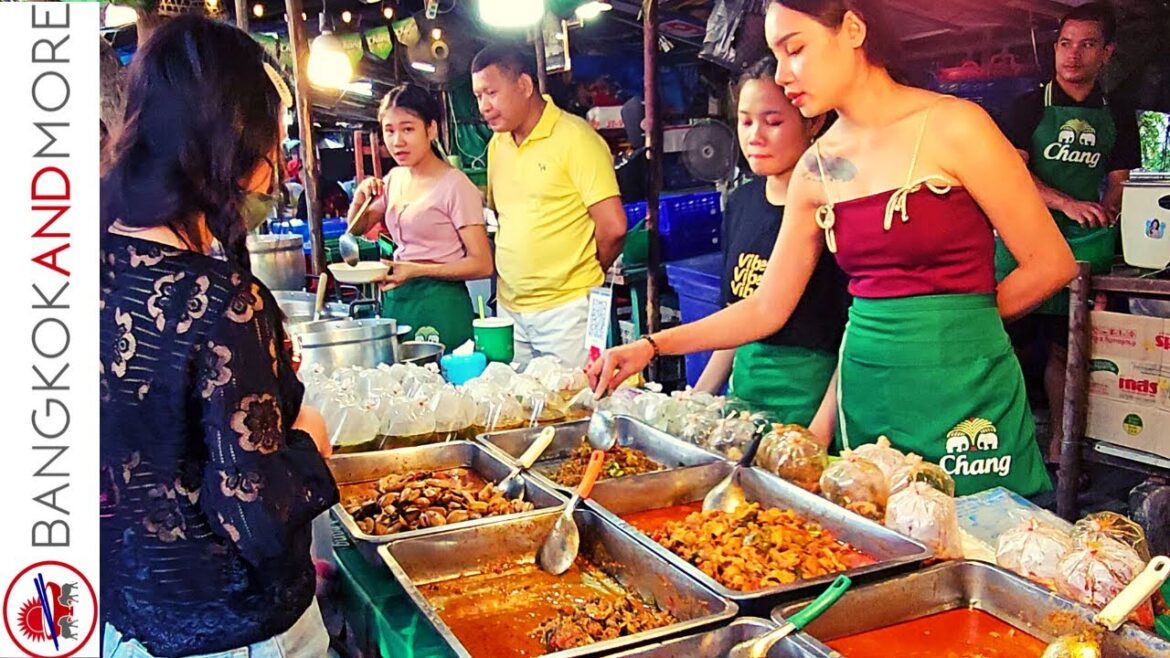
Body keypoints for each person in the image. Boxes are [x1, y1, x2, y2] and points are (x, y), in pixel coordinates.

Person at [590, 0, 1077, 498]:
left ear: (852, 28)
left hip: (969, 391)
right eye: (776, 55)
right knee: (881, 548)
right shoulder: (817, 168)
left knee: (989, 544)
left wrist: (954, 328)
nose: (783, 73)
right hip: (867, 396)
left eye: (794, 49)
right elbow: (765, 307)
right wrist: (651, 345)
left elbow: (1049, 263)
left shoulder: (956, 126)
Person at [99, 17, 337, 657]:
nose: (276, 164)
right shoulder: (220, 302)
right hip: (231, 629)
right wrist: (311, 436)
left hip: (115, 618)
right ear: (232, 141)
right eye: (274, 140)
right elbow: (254, 517)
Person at [996, 1, 1142, 462]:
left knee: (1067, 347)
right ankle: (1004, 444)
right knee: (1007, 345)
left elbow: (1119, 184)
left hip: (1081, 245)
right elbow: (1012, 175)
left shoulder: (1118, 116)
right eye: (1065, 43)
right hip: (1022, 241)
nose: (1072, 55)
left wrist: (1106, 212)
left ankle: (1062, 448)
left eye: (1087, 45)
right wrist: (1065, 202)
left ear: (1107, 53)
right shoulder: (1026, 107)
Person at [693, 56, 849, 431]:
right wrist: (697, 402)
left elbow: (853, 339)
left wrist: (817, 432)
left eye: (773, 122)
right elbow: (736, 318)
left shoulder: (837, 208)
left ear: (813, 121)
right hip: (743, 405)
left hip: (811, 403)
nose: (754, 136)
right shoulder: (742, 202)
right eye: (745, 121)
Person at [472, 42, 628, 368]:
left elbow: (613, 228)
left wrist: (580, 273)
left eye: (491, 93)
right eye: (478, 97)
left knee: (574, 406)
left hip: (569, 312)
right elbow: (504, 218)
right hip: (510, 309)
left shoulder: (577, 139)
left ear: (525, 85)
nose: (484, 106)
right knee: (516, 411)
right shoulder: (496, 146)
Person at [347, 84, 493, 348]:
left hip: (441, 305)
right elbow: (356, 230)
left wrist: (416, 270)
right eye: (389, 131)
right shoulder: (394, 179)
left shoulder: (455, 185)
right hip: (398, 301)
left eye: (408, 129)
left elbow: (482, 264)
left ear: (431, 129)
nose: (397, 141)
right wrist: (359, 197)